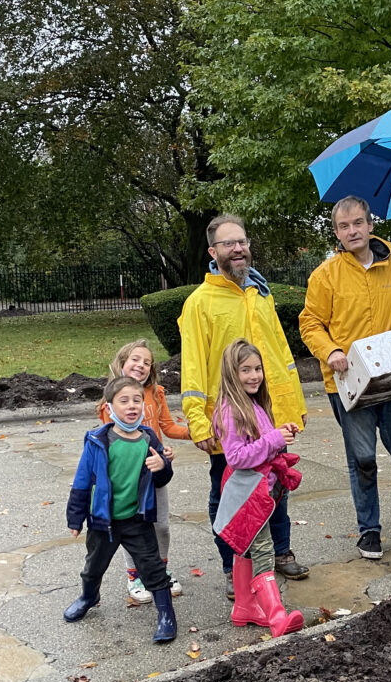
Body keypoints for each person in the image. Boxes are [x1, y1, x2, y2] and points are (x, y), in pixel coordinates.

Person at [299, 195, 391, 562]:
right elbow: (310, 323)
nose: (352, 231)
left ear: (369, 225)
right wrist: (331, 351)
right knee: (363, 459)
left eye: (357, 223)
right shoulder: (325, 275)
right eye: (344, 226)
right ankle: (369, 530)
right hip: (348, 382)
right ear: (337, 233)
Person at [178, 214, 309, 599]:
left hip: (269, 414)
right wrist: (198, 422)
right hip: (228, 421)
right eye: (229, 243)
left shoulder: (260, 294)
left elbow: (280, 351)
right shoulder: (199, 303)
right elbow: (193, 365)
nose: (238, 248)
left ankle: (279, 551)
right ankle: (233, 565)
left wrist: (293, 402)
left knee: (275, 484)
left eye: (242, 241)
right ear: (212, 252)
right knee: (228, 495)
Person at [63, 376, 177, 643]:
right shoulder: (98, 441)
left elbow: (161, 478)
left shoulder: (148, 439)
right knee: (93, 568)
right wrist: (75, 518)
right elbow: (82, 481)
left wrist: (163, 466)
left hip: (137, 520)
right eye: (124, 401)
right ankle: (89, 596)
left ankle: (166, 614)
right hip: (104, 522)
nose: (132, 406)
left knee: (153, 568)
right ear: (110, 407)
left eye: (137, 400)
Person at [211, 339, 305, 637]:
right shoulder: (230, 410)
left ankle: (244, 607)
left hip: (259, 493)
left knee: (246, 549)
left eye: (257, 369)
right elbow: (237, 457)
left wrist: (280, 433)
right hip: (247, 496)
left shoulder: (253, 404)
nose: (254, 376)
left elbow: (261, 442)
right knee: (263, 548)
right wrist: (274, 439)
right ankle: (276, 617)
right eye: (245, 370)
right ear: (231, 373)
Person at [97, 339, 190, 604]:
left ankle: (159, 570)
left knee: (161, 526)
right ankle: (134, 577)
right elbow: (113, 441)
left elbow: (168, 427)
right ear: (122, 363)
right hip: (127, 477)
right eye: (135, 359)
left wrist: (196, 433)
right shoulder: (111, 400)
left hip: (155, 471)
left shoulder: (156, 393)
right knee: (131, 527)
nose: (141, 365)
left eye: (147, 362)